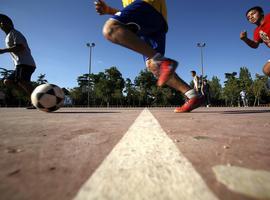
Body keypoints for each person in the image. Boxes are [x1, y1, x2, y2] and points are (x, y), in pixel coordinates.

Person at [94, 0, 204, 112]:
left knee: (111, 29)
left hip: (147, 5)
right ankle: (193, 95)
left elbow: (134, 10)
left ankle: (163, 61)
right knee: (155, 66)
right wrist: (109, 10)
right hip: (153, 20)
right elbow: (130, 12)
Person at [0, 14, 36, 103]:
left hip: (26, 63)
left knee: (22, 81)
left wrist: (3, 50)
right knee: (8, 81)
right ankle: (33, 97)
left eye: (2, 22)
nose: (1, 25)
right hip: (19, 64)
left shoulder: (15, 33)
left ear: (9, 24)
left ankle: (38, 98)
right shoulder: (8, 36)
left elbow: (20, 47)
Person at [240, 6, 270, 77]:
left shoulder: (269, 17)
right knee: (266, 70)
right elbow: (255, 45)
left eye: (253, 13)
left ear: (262, 13)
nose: (251, 17)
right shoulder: (256, 31)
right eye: (248, 18)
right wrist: (245, 39)